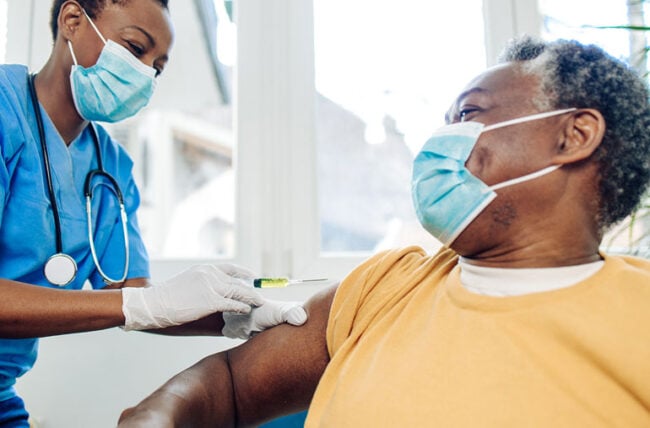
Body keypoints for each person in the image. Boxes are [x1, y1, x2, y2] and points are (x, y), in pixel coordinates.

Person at [118, 36, 650, 427]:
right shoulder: (388, 284)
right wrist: (157, 414)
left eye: (469, 114)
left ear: (573, 135)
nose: (443, 140)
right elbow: (229, 385)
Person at [0, 1, 307, 425]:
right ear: (72, 21)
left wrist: (232, 315)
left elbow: (132, 294)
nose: (144, 72)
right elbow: (137, 304)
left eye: (157, 67)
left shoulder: (111, 168)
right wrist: (144, 303)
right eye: (134, 47)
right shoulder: (4, 114)